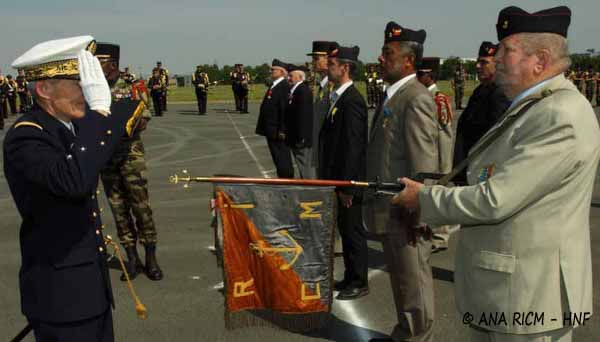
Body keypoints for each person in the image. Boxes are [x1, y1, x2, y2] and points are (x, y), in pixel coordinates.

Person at [394, 6, 598, 342]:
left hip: (531, 299)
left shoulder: (559, 114)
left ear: (541, 60)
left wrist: (425, 199)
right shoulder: (534, 104)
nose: (498, 57)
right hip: (512, 293)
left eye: (507, 50)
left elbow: (495, 198)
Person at [4, 35, 136, 342]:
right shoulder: (27, 138)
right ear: (44, 89)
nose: (88, 91)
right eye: (79, 81)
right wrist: (100, 111)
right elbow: (74, 182)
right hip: (62, 296)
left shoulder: (69, 128)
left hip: (88, 288)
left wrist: (101, 113)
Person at [366, 22, 450, 342]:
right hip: (391, 209)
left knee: (413, 284)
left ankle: (416, 336)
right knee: (402, 283)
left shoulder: (414, 98)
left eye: (388, 53)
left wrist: (420, 210)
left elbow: (424, 164)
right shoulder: (394, 95)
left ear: (408, 62)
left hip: (406, 212)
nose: (381, 58)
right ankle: (405, 333)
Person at [96, 43, 163, 281]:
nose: (96, 66)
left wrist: (122, 124)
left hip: (130, 154)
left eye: (100, 61)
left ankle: (151, 257)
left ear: (112, 63)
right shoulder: (92, 91)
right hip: (106, 157)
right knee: (118, 208)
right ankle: (132, 258)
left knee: (140, 207)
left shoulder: (132, 86)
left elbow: (144, 116)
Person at [319, 45, 368, 300]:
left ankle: (359, 280)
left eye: (332, 64)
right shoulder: (339, 96)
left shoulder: (353, 100)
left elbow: (353, 146)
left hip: (349, 181)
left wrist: (348, 185)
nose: (328, 68)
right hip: (337, 179)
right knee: (345, 229)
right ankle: (350, 275)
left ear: (345, 68)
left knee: (353, 230)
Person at [453, 41, 510, 183]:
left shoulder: (500, 94)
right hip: (469, 170)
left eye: (484, 63)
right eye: (478, 62)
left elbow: (494, 139)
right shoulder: (480, 91)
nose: (478, 66)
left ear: (497, 64)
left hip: (482, 173)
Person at [417, 56, 456, 253]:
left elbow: (444, 133)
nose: (417, 77)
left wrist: (443, 161)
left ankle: (440, 237)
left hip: (438, 153)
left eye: (421, 74)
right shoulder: (423, 96)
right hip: (427, 154)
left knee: (439, 193)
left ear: (430, 76)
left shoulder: (438, 98)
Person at [255, 59, 293, 178]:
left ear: (282, 72)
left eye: (274, 69)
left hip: (277, 131)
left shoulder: (283, 86)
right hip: (271, 129)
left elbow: (284, 110)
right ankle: (282, 178)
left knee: (282, 157)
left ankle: (286, 180)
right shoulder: (275, 85)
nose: (271, 71)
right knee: (277, 157)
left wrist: (282, 130)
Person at [307, 40, 339, 176]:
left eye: (316, 58)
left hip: (327, 150)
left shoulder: (332, 86)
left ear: (328, 59)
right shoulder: (323, 85)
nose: (313, 62)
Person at [285, 64, 314, 179]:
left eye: (291, 76)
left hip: (301, 139)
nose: (288, 78)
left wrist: (302, 138)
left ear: (300, 77)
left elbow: (304, 116)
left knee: (306, 169)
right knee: (302, 168)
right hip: (296, 137)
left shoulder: (302, 91)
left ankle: (311, 193)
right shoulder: (296, 90)